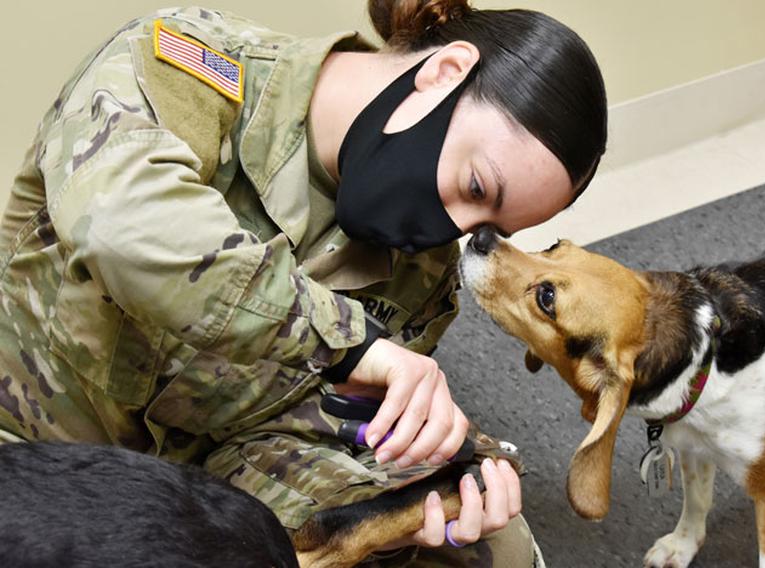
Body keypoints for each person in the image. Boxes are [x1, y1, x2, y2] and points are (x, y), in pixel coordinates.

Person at [0, 0, 607, 565]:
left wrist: (395, 501)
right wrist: (346, 342)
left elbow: (282, 436)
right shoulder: (187, 63)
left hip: (191, 489)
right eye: (475, 187)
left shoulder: (421, 275)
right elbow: (122, 229)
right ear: (444, 72)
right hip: (27, 459)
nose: (451, 228)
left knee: (494, 547)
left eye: (488, 224)